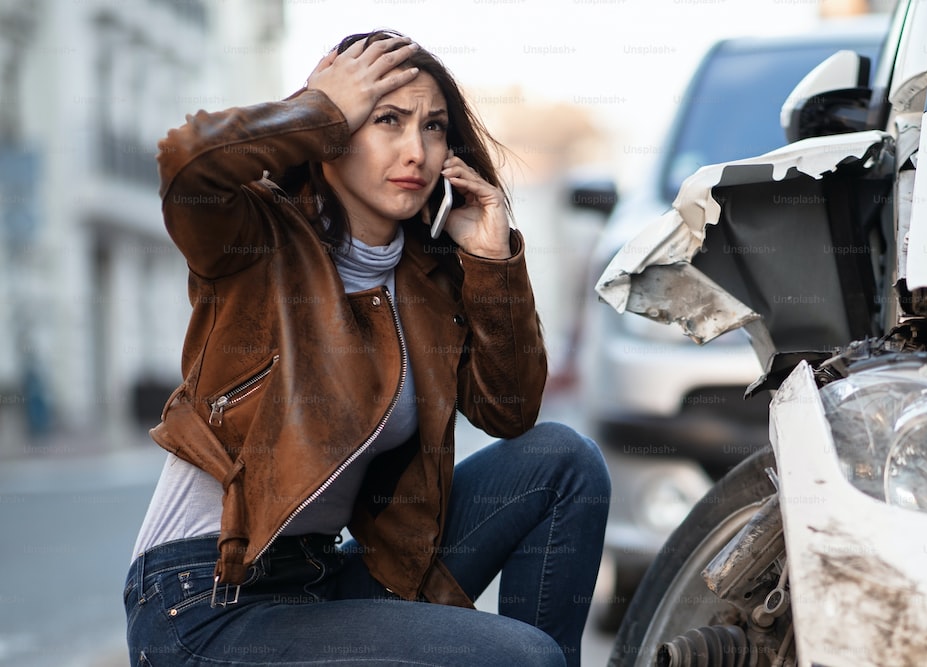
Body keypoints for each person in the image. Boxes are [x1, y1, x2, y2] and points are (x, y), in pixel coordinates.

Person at [123, 30, 610, 666]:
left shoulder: (426, 281)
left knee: (565, 462)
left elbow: (511, 411)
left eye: (434, 127)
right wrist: (319, 106)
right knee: (521, 658)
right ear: (334, 133)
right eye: (386, 119)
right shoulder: (257, 240)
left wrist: (491, 261)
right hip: (204, 601)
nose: (417, 150)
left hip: (322, 582)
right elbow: (186, 165)